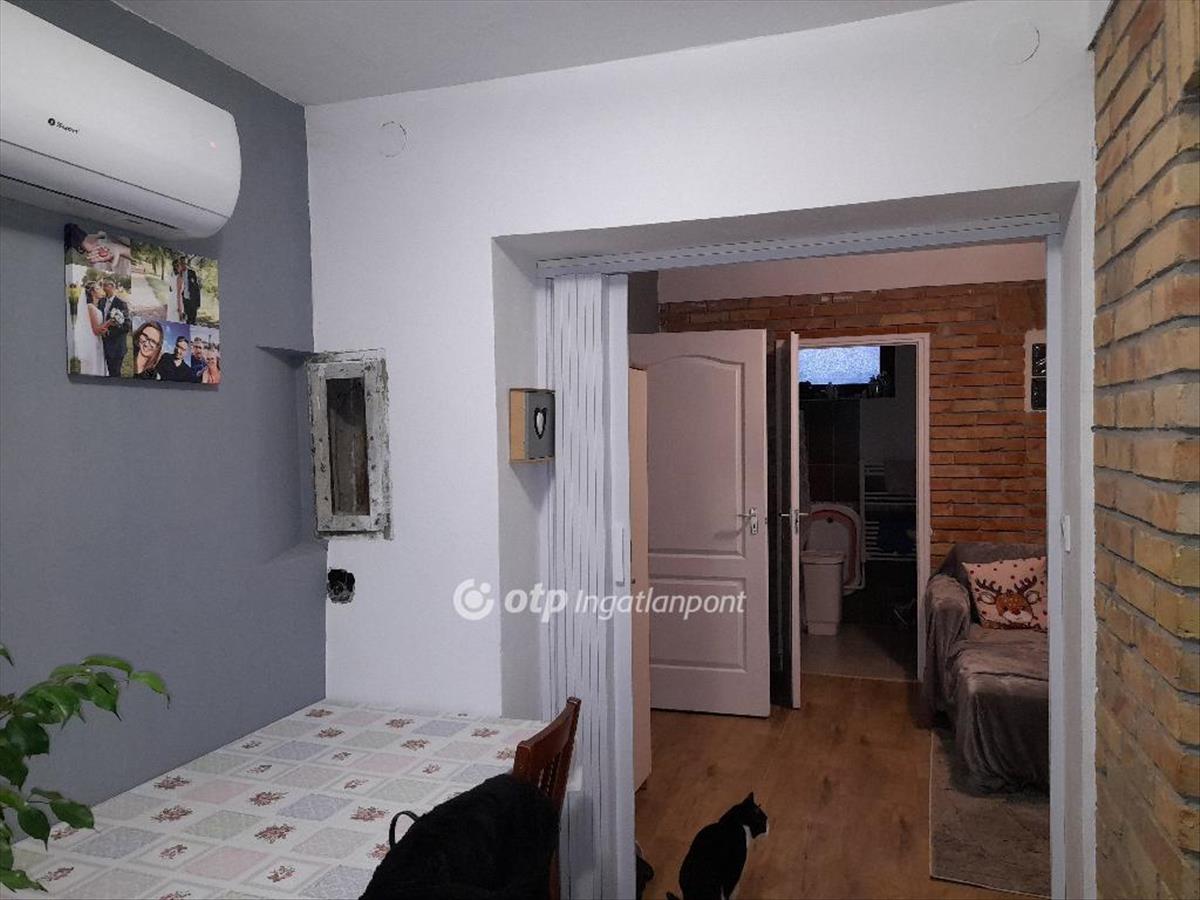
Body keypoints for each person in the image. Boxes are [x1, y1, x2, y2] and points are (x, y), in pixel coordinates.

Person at [98, 278, 131, 377]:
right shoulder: (101, 301)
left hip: (116, 346)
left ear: (112, 287)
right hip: (103, 344)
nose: (103, 288)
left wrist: (109, 333)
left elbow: (126, 326)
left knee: (115, 374)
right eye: (102, 285)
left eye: (105, 285)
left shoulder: (121, 304)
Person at [72, 282, 106, 376]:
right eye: (98, 289)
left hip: (96, 341)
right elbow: (96, 330)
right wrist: (111, 321)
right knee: (92, 369)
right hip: (92, 343)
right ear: (92, 292)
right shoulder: (90, 307)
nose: (101, 290)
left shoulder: (95, 306)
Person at [177, 257, 202, 325]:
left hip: (193, 300)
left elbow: (196, 288)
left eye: (184, 263)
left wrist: (198, 302)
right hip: (185, 300)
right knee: (187, 320)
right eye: (181, 263)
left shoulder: (192, 273)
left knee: (193, 319)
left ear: (186, 264)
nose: (182, 265)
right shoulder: (179, 274)